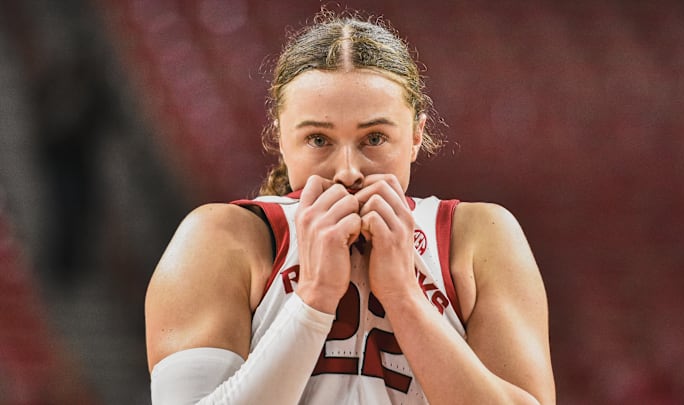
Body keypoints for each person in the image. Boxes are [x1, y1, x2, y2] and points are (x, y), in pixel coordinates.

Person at [145, 9, 555, 405]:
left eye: (374, 138)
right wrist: (313, 299)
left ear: (415, 136)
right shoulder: (221, 236)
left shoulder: (478, 234)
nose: (347, 171)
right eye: (319, 140)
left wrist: (404, 297)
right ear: (282, 139)